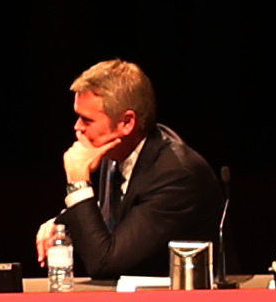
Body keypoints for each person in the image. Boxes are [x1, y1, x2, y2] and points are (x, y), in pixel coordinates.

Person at [34, 59, 223, 280]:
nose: (77, 127)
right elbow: (112, 219)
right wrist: (63, 221)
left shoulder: (176, 174)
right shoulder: (114, 153)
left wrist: (78, 183)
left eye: (87, 120)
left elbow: (105, 263)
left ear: (126, 122)